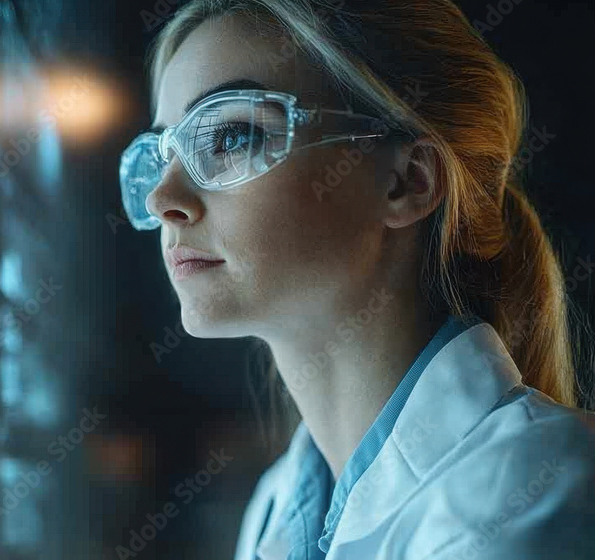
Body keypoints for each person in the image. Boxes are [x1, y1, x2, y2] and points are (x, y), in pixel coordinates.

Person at [117, 1, 595, 558]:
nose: (163, 198)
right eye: (163, 154)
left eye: (230, 137)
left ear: (406, 182)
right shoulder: (275, 508)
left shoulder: (540, 482)